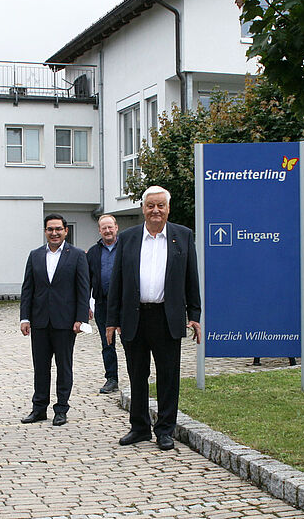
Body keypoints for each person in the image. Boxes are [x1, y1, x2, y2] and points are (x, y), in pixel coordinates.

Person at [106, 186, 201, 451]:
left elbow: (191, 278)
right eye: (151, 206)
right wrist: (111, 320)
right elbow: (117, 282)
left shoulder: (182, 236)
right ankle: (139, 428)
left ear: (168, 208)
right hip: (134, 317)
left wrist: (194, 315)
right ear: (143, 209)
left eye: (160, 206)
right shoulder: (128, 238)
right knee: (137, 375)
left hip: (166, 317)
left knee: (168, 376)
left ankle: (165, 430)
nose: (155, 210)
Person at [20, 214, 90, 427]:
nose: (54, 233)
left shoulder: (77, 255)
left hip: (65, 322)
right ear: (45, 231)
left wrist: (80, 318)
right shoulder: (35, 256)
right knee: (40, 367)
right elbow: (28, 288)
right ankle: (39, 408)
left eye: (58, 229)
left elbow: (83, 289)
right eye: (50, 229)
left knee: (64, 366)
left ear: (66, 231)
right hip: (40, 321)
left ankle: (61, 408)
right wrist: (25, 317)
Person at [86, 214, 120, 394]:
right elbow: (86, 281)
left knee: (132, 342)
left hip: (125, 304)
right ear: (99, 230)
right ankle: (111, 378)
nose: (107, 231)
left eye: (110, 227)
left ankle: (137, 377)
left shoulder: (127, 247)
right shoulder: (92, 252)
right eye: (103, 228)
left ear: (116, 227)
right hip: (102, 304)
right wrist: (86, 304)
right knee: (107, 343)